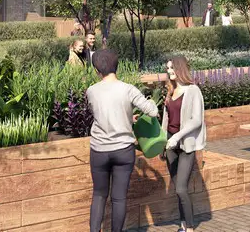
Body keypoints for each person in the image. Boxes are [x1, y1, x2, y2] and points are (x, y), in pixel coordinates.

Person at [86, 49, 159, 232]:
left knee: (99, 194)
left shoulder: (91, 91)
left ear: (97, 70)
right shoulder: (128, 89)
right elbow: (153, 111)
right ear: (116, 67)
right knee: (119, 198)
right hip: (123, 150)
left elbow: (101, 114)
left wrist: (124, 117)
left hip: (99, 149)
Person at [162, 56, 206, 232]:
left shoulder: (193, 90)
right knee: (177, 188)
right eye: (167, 68)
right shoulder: (170, 90)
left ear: (180, 68)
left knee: (181, 189)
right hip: (170, 145)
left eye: (172, 68)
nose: (169, 71)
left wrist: (177, 137)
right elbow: (166, 120)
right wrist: (163, 142)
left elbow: (196, 120)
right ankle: (182, 225)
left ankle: (190, 228)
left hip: (185, 144)